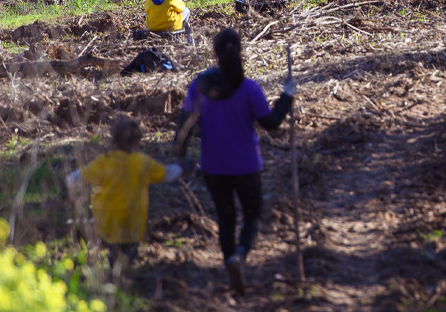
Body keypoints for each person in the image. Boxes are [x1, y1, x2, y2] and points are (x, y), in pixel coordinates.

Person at [175, 28, 294, 295]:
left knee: (226, 219)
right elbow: (271, 123)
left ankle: (231, 264)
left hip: (213, 166)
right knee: (252, 215)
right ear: (240, 51)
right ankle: (239, 255)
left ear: (215, 53)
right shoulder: (249, 88)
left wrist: (180, 159)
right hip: (246, 166)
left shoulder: (200, 86)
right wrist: (286, 96)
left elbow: (185, 126)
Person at [68, 117, 182, 274]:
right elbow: (166, 174)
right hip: (132, 220)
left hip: (107, 220)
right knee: (130, 250)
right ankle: (122, 271)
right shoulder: (142, 162)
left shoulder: (104, 161)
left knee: (113, 247)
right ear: (137, 140)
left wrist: (67, 184)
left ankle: (116, 270)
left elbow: (76, 178)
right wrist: (182, 167)